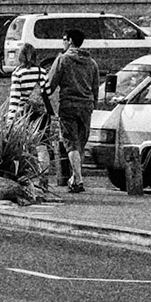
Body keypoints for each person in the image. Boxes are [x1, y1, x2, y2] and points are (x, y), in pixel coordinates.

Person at [43, 29, 101, 193]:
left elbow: (50, 84)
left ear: (69, 40)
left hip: (68, 105)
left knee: (71, 143)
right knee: (80, 144)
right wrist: (92, 105)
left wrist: (44, 103)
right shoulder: (92, 63)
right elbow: (96, 88)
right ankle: (75, 179)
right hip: (86, 106)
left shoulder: (63, 60)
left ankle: (78, 178)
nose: (62, 42)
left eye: (63, 39)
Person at [5, 44, 56, 188]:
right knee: (42, 146)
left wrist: (10, 120)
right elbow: (47, 92)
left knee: (23, 147)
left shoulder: (17, 73)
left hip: (24, 114)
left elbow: (15, 98)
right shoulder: (41, 72)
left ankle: (25, 177)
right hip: (41, 114)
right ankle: (43, 177)